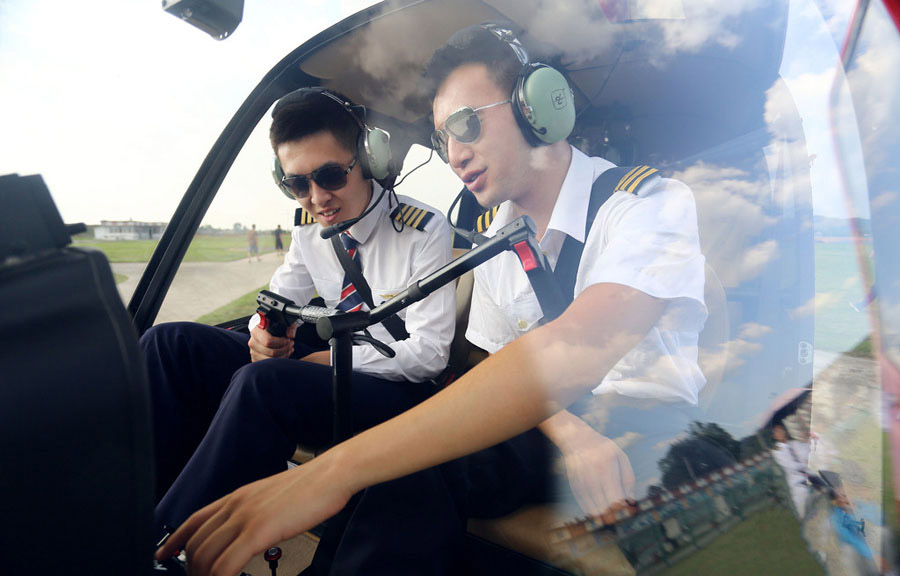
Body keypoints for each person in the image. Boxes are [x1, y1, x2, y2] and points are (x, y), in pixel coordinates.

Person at [157, 23, 707, 576]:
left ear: (537, 105)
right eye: (444, 137)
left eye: (467, 124)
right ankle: (161, 541)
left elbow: (577, 345)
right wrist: (570, 433)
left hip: (642, 426)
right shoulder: (498, 237)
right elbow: (498, 362)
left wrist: (331, 471)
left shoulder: (649, 205)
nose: (454, 154)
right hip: (546, 418)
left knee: (415, 464)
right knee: (409, 457)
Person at [143, 87, 455, 543]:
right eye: (297, 183)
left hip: (396, 390)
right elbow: (275, 296)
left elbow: (428, 356)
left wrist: (320, 363)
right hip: (329, 372)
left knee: (263, 382)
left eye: (330, 176)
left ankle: (170, 546)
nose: (317, 197)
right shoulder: (311, 230)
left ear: (365, 161)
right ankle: (142, 513)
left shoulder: (423, 229)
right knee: (167, 343)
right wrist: (261, 336)